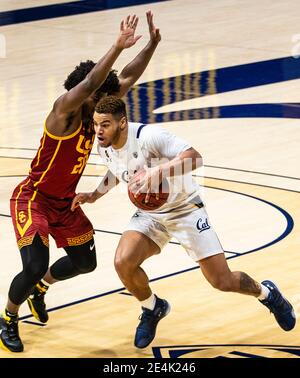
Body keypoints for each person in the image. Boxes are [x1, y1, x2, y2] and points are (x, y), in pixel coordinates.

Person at [72, 96, 296, 349]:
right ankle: (152, 308)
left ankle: (267, 294)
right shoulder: (104, 145)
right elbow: (116, 169)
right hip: (151, 215)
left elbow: (195, 157)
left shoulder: (149, 137)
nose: (98, 131)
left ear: (122, 123)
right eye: (96, 124)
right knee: (123, 262)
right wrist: (95, 194)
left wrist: (159, 171)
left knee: (221, 281)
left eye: (105, 124)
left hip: (186, 209)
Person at [0, 12, 162, 353]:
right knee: (33, 264)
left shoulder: (96, 113)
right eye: (100, 95)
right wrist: (117, 46)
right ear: (86, 94)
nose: (105, 102)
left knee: (85, 263)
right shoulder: (64, 112)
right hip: (34, 198)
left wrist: (152, 44)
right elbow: (90, 83)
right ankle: (8, 318)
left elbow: (128, 77)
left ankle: (41, 290)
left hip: (65, 202)